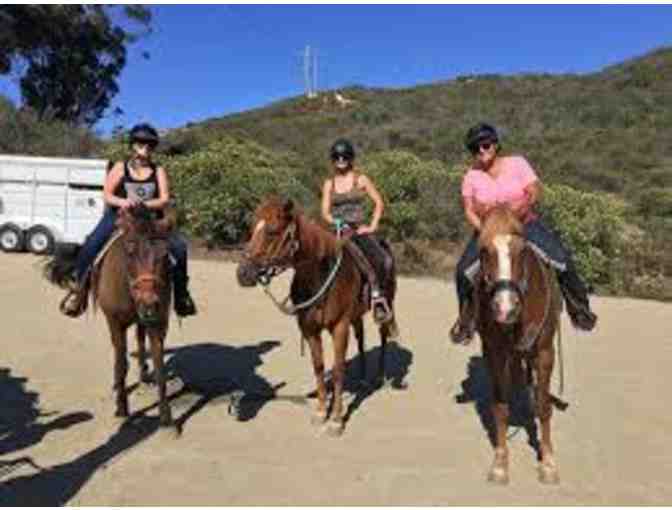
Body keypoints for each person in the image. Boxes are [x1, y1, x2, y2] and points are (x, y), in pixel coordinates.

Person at [450, 123, 597, 344]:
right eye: (475, 148)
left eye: (486, 144)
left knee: (562, 260)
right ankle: (466, 321)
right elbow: (469, 209)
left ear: (496, 144)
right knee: (462, 272)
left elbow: (534, 190)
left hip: (524, 224)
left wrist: (521, 207)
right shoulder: (471, 176)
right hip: (489, 230)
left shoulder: (517, 163)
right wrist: (485, 230)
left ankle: (579, 308)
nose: (481, 151)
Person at [61, 123, 197, 318]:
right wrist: (124, 202)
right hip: (120, 215)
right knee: (92, 244)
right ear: (133, 145)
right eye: (141, 143)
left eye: (150, 145)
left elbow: (164, 198)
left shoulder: (158, 170)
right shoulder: (119, 167)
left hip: (151, 219)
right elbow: (107, 195)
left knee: (179, 248)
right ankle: (78, 290)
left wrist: (144, 205)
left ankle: (182, 296)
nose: (146, 148)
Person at [321, 138, 392, 323]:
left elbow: (378, 202)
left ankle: (377, 296)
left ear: (351, 158)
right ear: (333, 159)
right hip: (337, 230)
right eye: (337, 157)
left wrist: (373, 225)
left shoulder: (360, 179)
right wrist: (335, 222)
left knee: (382, 259)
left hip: (358, 229)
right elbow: (325, 212)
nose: (341, 160)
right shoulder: (329, 183)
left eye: (344, 156)